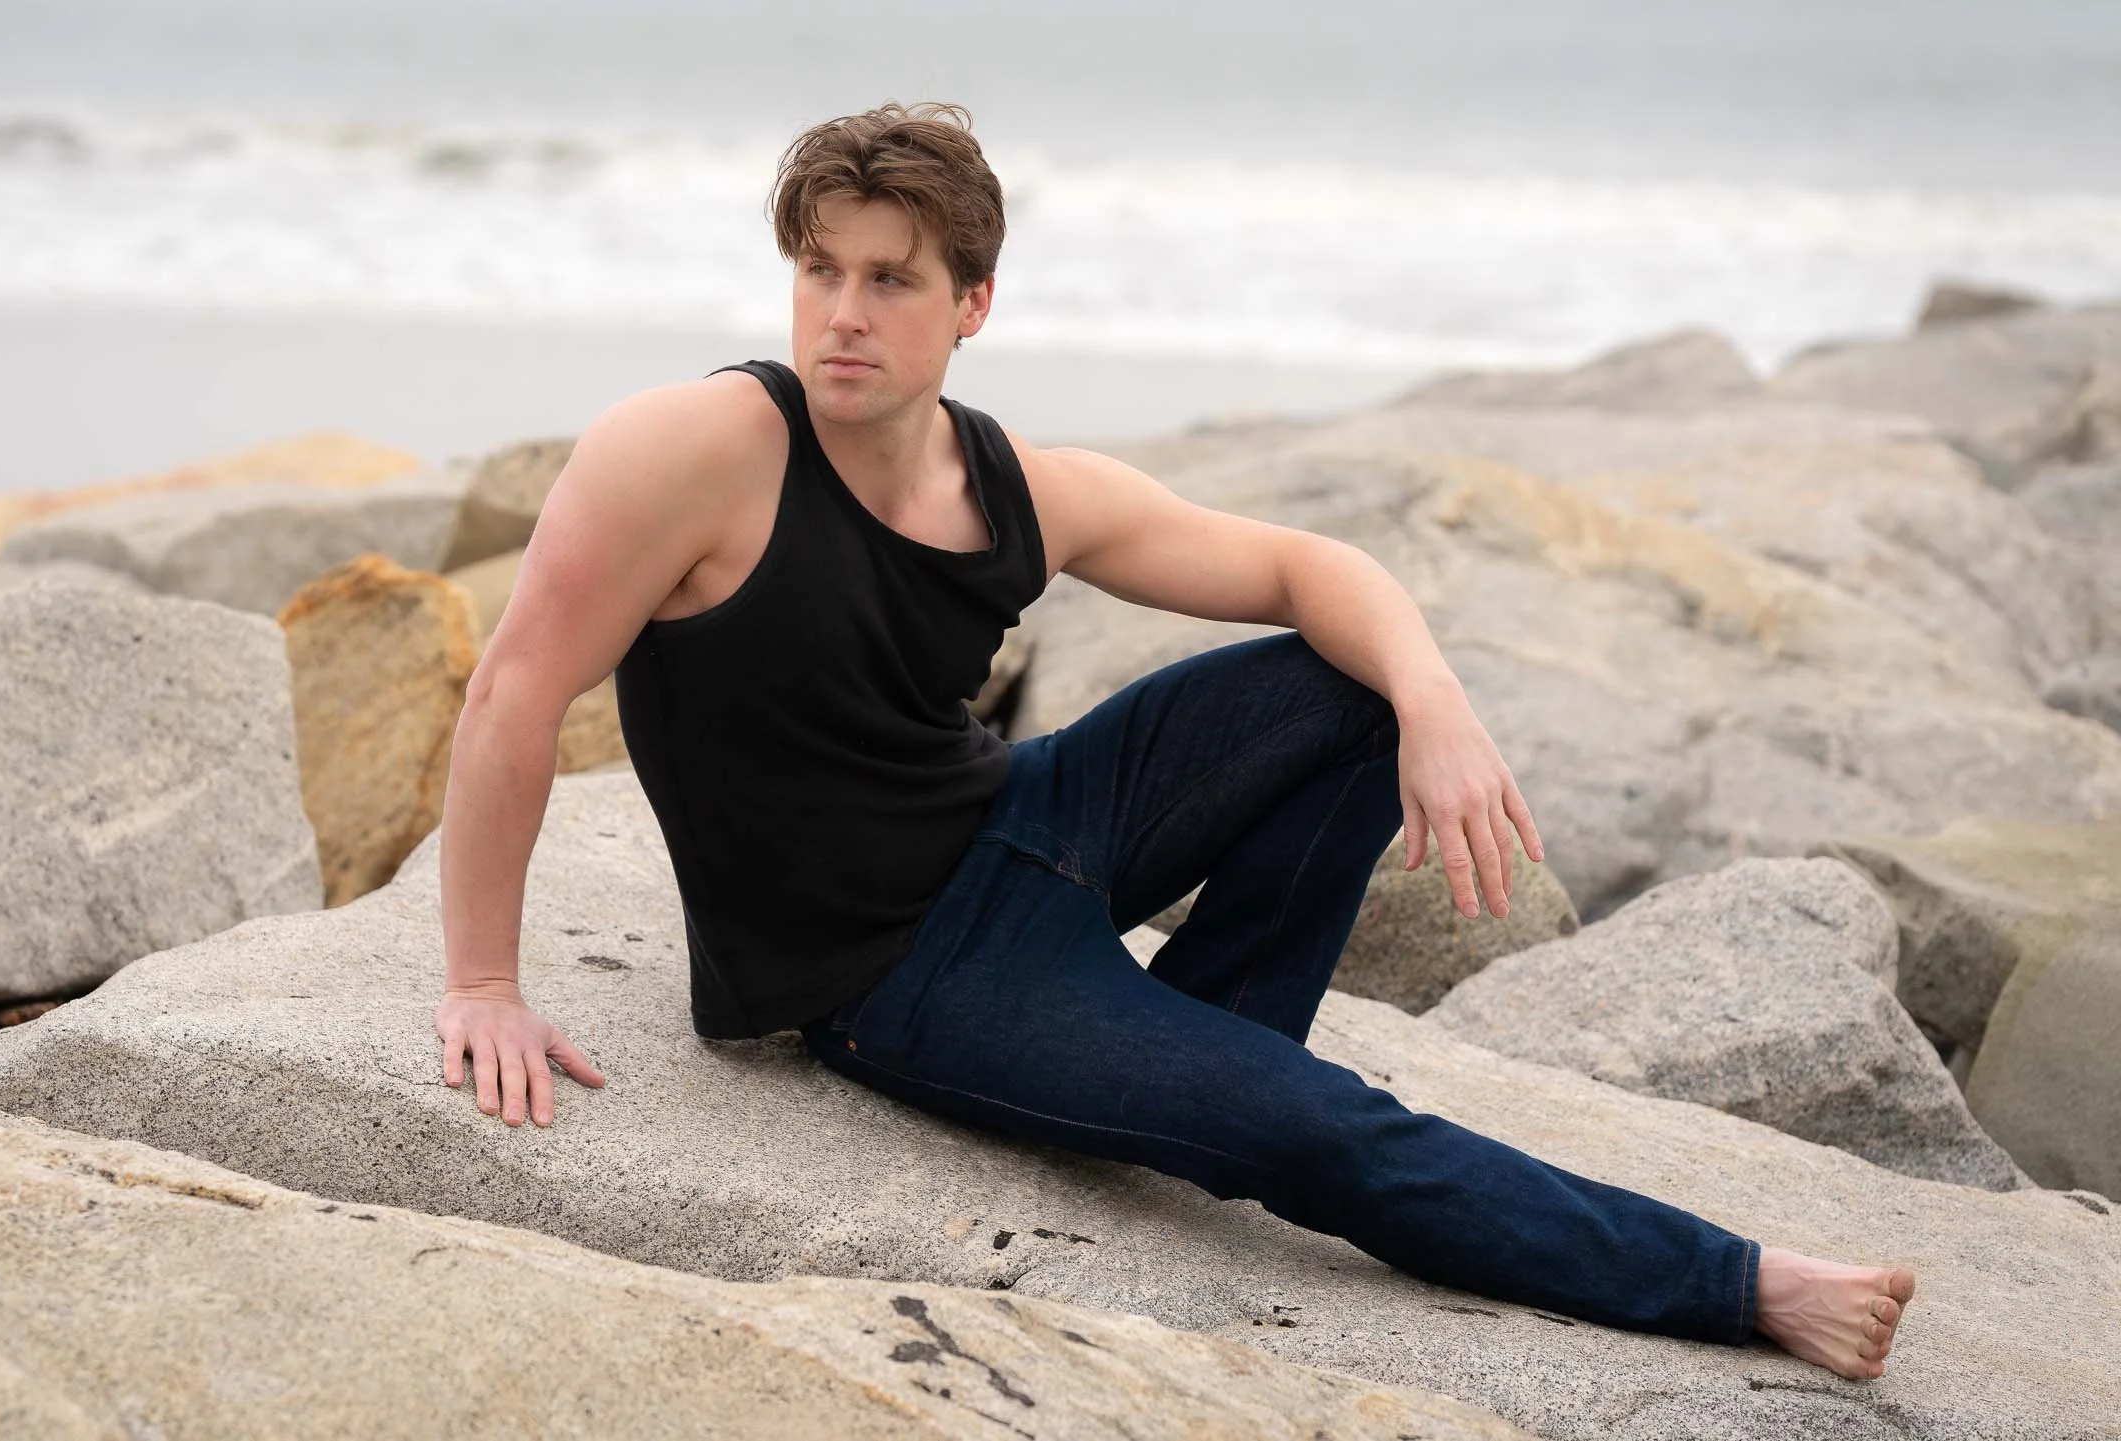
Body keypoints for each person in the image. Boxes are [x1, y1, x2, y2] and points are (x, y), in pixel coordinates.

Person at [431, 100, 1914, 1382]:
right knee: (1327, 1134)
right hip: (902, 975)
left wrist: (1437, 706)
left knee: (1355, 685)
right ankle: (1744, 1285)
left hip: (1035, 814)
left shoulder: (1011, 482)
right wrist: (483, 983)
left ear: (974, 304)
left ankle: (1198, 1069)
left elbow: (1301, 570)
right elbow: (513, 691)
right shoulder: (692, 452)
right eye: (819, 270)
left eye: (891, 279)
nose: (843, 314)